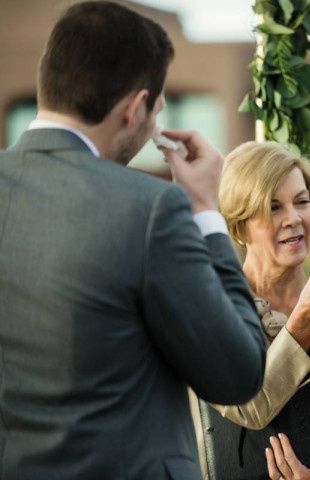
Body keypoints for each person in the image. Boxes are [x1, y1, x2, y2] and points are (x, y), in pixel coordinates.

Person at [0, 2, 265, 478]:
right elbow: (237, 373)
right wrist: (206, 209)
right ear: (135, 107)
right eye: (157, 109)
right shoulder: (147, 208)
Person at [189, 141, 310, 480]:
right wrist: (304, 319)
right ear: (240, 226)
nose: (294, 218)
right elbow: (246, 406)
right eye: (274, 207)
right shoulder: (210, 313)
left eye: (302, 202)